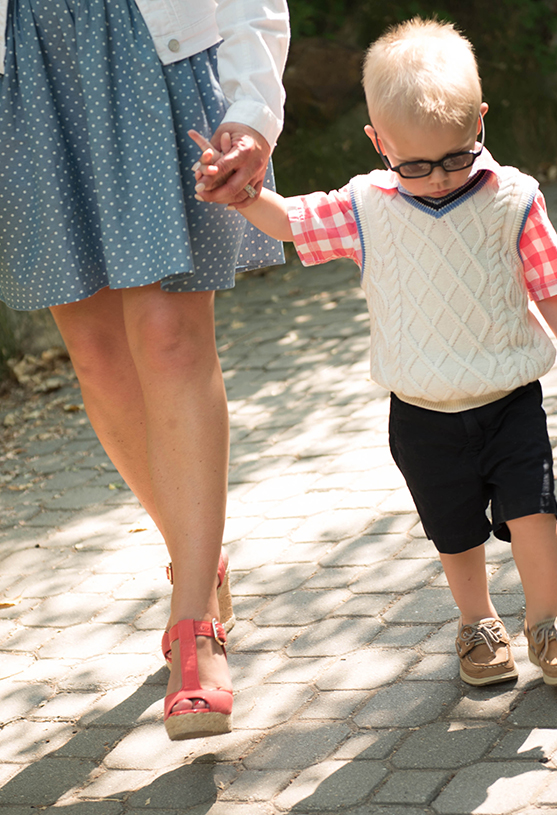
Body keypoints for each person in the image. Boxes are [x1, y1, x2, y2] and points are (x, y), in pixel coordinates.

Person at [192, 17, 557, 688]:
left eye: (456, 156)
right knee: (454, 532)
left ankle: (547, 622)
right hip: (422, 412)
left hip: (512, 398)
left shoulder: (512, 197)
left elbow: (551, 280)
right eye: (415, 164)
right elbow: (292, 222)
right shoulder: (367, 204)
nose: (437, 178)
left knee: (534, 513)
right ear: (379, 142)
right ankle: (479, 624)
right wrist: (246, 194)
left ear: (480, 121)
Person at [0, 0, 289, 740]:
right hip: (29, 70)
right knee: (96, 358)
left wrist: (255, 103)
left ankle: (194, 628)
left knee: (168, 336)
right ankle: (197, 555)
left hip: (147, 56)